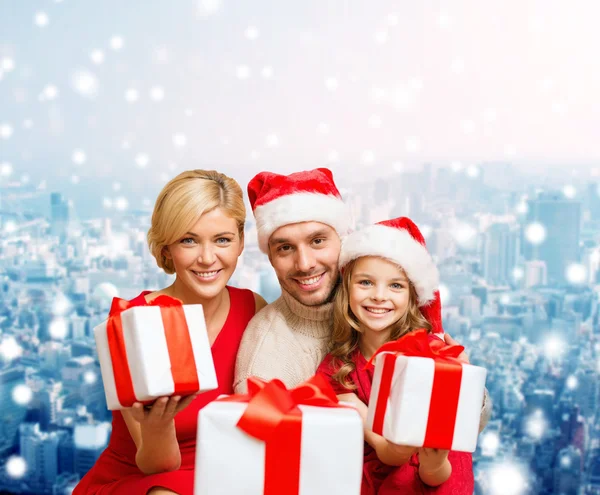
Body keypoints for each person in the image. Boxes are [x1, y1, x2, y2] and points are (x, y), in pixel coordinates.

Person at [74, 170, 267, 495]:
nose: (207, 258)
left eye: (222, 239)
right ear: (166, 249)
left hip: (223, 477)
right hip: (144, 480)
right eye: (188, 240)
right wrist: (159, 425)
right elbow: (155, 466)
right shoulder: (132, 321)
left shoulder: (254, 308)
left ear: (240, 242)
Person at [317, 217, 478, 494]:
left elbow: (441, 473)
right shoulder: (338, 369)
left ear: (413, 297)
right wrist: (401, 446)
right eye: (366, 282)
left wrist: (435, 462)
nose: (379, 296)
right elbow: (386, 450)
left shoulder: (433, 356)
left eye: (396, 286)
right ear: (347, 289)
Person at [233, 168, 353, 393]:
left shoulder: (377, 310)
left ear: (343, 240)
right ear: (270, 257)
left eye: (317, 241)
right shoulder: (263, 367)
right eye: (285, 248)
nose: (305, 264)